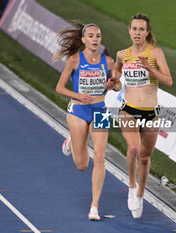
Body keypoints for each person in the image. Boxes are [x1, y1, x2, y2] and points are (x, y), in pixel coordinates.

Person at [54, 22, 121, 221]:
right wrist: (78, 95)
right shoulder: (74, 60)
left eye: (98, 36)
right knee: (82, 164)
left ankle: (94, 207)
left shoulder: (108, 62)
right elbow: (59, 88)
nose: (95, 39)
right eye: (91, 36)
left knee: (100, 157)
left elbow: (117, 87)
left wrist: (112, 84)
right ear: (83, 40)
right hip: (78, 109)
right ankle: (72, 142)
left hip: (100, 109)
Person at [114, 13, 173, 218]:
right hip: (128, 110)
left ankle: (140, 196)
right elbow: (117, 76)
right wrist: (114, 83)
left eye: (141, 29)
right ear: (129, 31)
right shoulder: (122, 54)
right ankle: (131, 186)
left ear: (147, 32)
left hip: (151, 113)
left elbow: (168, 81)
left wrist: (150, 69)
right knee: (133, 148)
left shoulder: (155, 52)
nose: (137, 32)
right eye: (134, 29)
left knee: (145, 158)